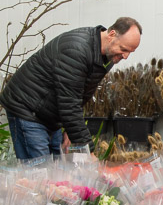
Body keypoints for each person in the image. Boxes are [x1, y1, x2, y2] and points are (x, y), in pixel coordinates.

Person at [0, 17, 142, 159]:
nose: (125, 56)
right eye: (123, 49)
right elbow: (70, 103)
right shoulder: (77, 50)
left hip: (49, 113)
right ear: (111, 35)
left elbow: (80, 94)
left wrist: (70, 129)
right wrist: (89, 153)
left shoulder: (107, 56)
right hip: (28, 108)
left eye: (130, 51)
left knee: (56, 169)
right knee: (39, 171)